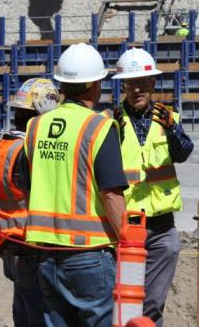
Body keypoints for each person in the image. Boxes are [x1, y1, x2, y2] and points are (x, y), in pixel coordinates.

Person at [20, 43, 128, 327]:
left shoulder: (36, 126)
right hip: (89, 256)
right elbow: (111, 194)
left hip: (45, 256)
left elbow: (28, 183)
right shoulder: (99, 127)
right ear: (93, 84)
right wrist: (128, 241)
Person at [108, 48, 194, 326]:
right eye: (130, 83)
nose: (136, 89)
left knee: (153, 303)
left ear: (153, 83)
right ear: (123, 85)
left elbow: (183, 153)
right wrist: (112, 133)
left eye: (142, 83)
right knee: (123, 299)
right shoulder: (111, 120)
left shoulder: (168, 119)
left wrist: (172, 128)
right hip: (125, 222)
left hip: (162, 227)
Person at [0, 77, 59, 327]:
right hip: (30, 246)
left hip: (11, 244)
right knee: (40, 316)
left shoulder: (6, 144)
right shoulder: (27, 151)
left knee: (24, 313)